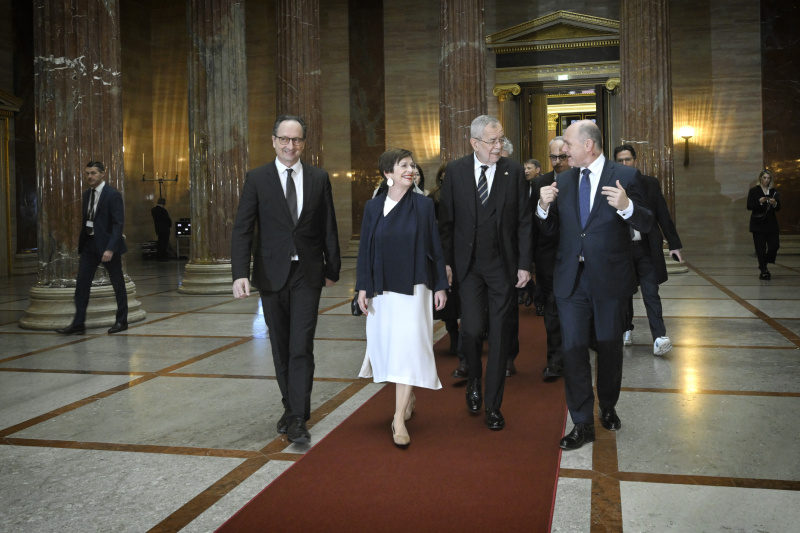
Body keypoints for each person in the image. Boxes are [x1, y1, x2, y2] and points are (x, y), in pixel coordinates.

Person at [536, 120, 653, 450]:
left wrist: (627, 207)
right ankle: (581, 422)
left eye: (568, 146)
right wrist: (543, 208)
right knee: (573, 351)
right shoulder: (564, 180)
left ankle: (609, 405)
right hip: (571, 281)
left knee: (609, 346)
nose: (563, 152)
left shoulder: (626, 176)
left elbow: (648, 221)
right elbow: (549, 233)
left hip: (610, 278)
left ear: (588, 145)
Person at [231, 115, 341, 445]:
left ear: (304, 143)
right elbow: (242, 229)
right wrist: (240, 273)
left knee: (301, 346)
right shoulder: (257, 178)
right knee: (280, 346)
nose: (290, 145)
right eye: (284, 139)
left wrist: (331, 269)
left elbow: (329, 227)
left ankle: (297, 417)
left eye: (296, 140)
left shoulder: (319, 178)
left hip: (307, 273)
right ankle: (290, 406)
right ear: (274, 140)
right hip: (271, 273)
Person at [438, 115, 532, 431]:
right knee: (473, 331)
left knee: (501, 333)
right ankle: (473, 381)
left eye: (501, 139)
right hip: (468, 268)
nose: (498, 146)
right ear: (475, 143)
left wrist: (524, 264)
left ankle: (493, 404)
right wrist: (447, 262)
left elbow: (523, 222)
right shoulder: (455, 171)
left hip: (502, 267)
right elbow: (447, 224)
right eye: (492, 141)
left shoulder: (514, 171)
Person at [356, 149, 449, 447]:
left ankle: (398, 419)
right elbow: (365, 251)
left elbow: (434, 247)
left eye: (412, 166)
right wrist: (362, 288)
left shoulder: (423, 206)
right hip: (381, 290)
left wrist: (440, 286)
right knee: (389, 347)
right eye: (403, 166)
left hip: (414, 288)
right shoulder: (373, 207)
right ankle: (407, 397)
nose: (411, 170)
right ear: (388, 174)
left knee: (409, 347)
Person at [613, 144, 684, 355]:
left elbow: (662, 214)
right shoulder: (611, 185)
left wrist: (674, 244)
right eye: (620, 161)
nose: (624, 164)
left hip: (645, 248)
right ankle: (626, 328)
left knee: (651, 293)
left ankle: (659, 337)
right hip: (622, 251)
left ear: (635, 160)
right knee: (625, 294)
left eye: (628, 159)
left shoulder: (650, 184)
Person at [56, 161, 129, 335]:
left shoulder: (113, 195)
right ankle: (78, 323)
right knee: (81, 283)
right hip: (89, 245)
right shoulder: (87, 195)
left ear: (103, 174)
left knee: (118, 283)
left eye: (94, 173)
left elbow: (118, 224)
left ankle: (121, 321)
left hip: (108, 247)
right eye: (88, 173)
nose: (90, 176)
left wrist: (110, 249)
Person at [531, 137, 571, 379]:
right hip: (550, 258)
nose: (557, 162)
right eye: (553, 157)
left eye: (562, 157)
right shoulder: (540, 183)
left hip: (580, 258)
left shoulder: (584, 179)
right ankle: (555, 360)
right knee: (553, 311)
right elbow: (529, 224)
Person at [429, 162, 463, 362]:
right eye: (444, 174)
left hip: (463, 253)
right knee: (449, 299)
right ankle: (454, 335)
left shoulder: (464, 193)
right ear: (441, 176)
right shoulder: (433, 197)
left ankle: (467, 336)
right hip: (443, 252)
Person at [747, 169, 781, 280]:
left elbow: (778, 208)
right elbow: (749, 206)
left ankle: (764, 262)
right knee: (760, 249)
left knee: (774, 246)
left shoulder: (773, 191)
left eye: (768, 178)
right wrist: (760, 201)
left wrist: (775, 203)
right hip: (758, 224)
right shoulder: (754, 191)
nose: (766, 180)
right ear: (760, 178)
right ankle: (763, 270)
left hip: (771, 224)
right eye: (764, 178)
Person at [151, 197, 172, 261]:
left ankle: (158, 256)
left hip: (158, 229)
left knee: (160, 242)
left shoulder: (153, 210)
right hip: (165, 229)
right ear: (163, 203)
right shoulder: (163, 210)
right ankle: (163, 256)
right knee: (164, 243)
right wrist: (170, 225)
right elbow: (167, 219)